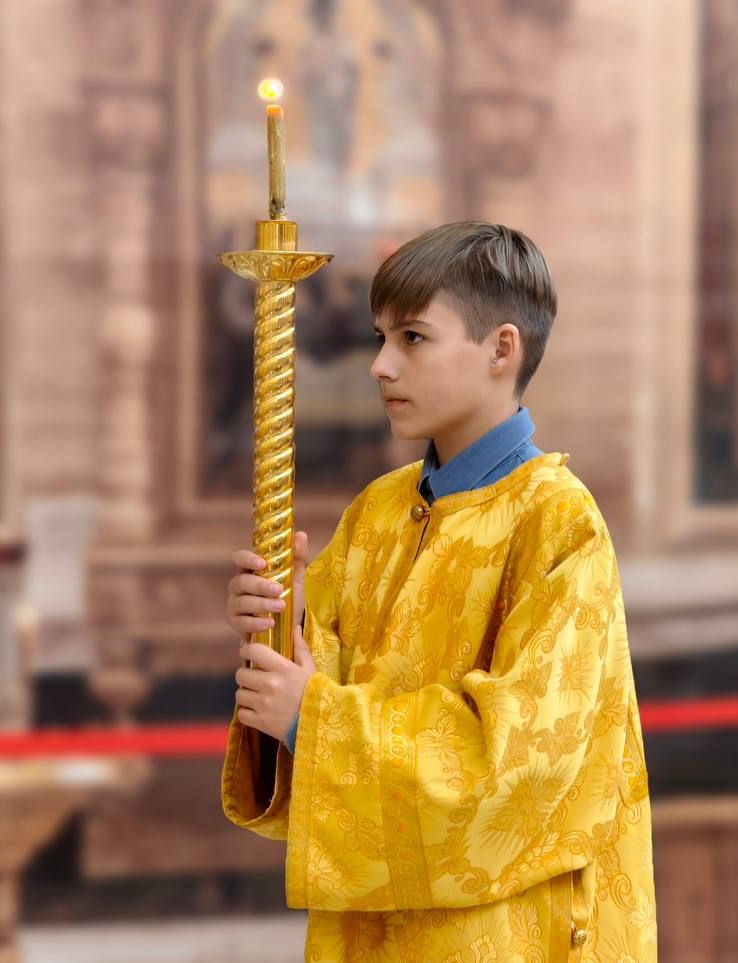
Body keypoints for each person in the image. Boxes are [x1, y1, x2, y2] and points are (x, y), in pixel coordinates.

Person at [222, 221, 656, 961]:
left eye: (413, 338)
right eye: (380, 337)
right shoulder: (376, 514)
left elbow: (519, 764)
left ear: (501, 349)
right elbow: (306, 720)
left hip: (501, 935)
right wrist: (277, 628)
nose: (380, 365)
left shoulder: (558, 523)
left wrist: (313, 719)